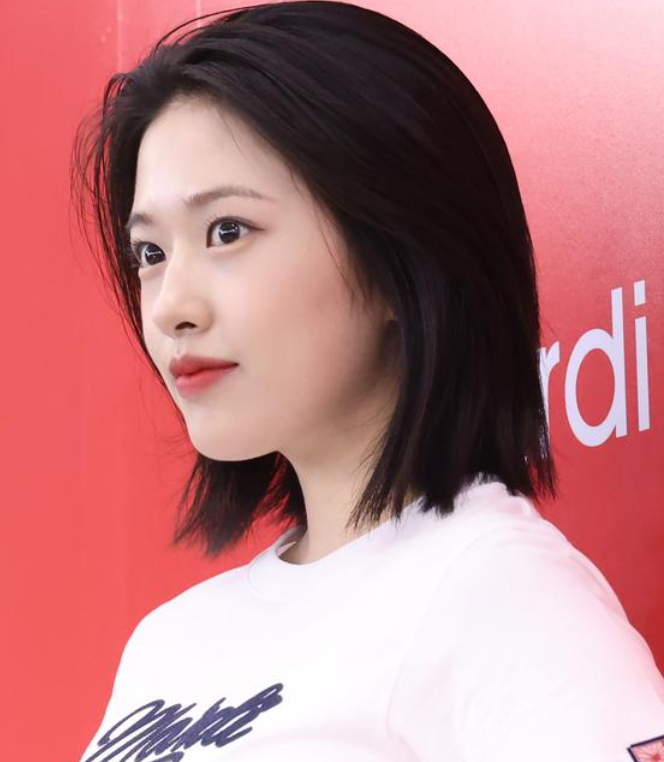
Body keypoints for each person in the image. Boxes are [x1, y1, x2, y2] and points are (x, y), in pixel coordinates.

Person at [70, 2, 664, 760]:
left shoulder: (501, 597)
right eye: (150, 254)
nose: (169, 308)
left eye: (227, 232)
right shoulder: (166, 645)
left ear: (396, 255)